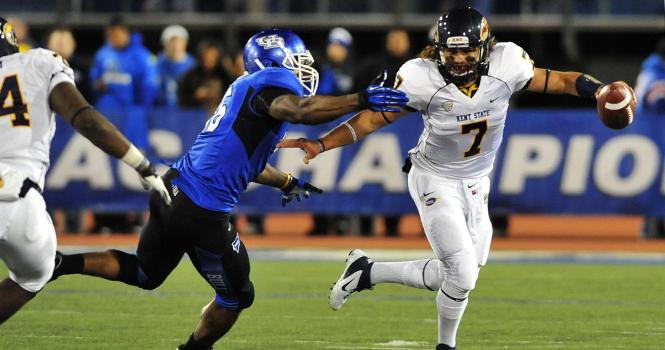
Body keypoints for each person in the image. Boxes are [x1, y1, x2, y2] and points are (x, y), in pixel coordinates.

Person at [277, 8, 635, 350]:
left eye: (467, 53)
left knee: (459, 275)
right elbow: (371, 120)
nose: (459, 60)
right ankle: (446, 345)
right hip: (434, 179)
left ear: (485, 48)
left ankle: (367, 272)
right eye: (451, 52)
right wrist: (322, 143)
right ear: (439, 49)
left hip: (479, 183)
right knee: (461, 274)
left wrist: (601, 90)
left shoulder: (507, 62)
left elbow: (561, 81)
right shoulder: (420, 76)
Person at [49, 28, 408, 350]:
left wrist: (286, 181)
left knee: (145, 273)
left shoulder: (244, 90)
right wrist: (360, 99)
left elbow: (245, 163)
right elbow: (299, 111)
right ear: (275, 62)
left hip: (171, 190)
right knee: (239, 295)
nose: (304, 70)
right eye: (297, 61)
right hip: (201, 210)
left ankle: (64, 262)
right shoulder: (270, 88)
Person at [0, 17, 170, 326]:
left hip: (15, 194)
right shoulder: (38, 60)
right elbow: (87, 120)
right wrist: (140, 163)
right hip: (13, 196)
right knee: (33, 275)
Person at [89, 15, 158, 151]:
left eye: (116, 34)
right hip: (107, 112)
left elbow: (149, 85)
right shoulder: (102, 54)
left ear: (125, 33)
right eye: (110, 35)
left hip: (133, 114)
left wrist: (141, 108)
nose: (112, 38)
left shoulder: (142, 56)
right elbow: (93, 80)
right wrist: (96, 86)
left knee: (135, 154)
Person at [635, 37, 665, 238]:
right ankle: (651, 226)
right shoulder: (654, 69)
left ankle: (652, 225)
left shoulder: (653, 66)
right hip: (650, 130)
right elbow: (656, 98)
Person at [178, 39, 232, 115]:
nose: (209, 59)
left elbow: (233, 99)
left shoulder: (224, 76)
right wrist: (196, 96)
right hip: (195, 118)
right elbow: (182, 101)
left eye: (213, 56)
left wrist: (217, 96)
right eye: (207, 55)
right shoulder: (190, 76)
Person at [155, 24, 196, 108]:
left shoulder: (193, 65)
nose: (175, 46)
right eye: (171, 41)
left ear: (185, 43)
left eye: (178, 41)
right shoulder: (157, 64)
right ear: (165, 44)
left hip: (186, 112)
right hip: (161, 112)